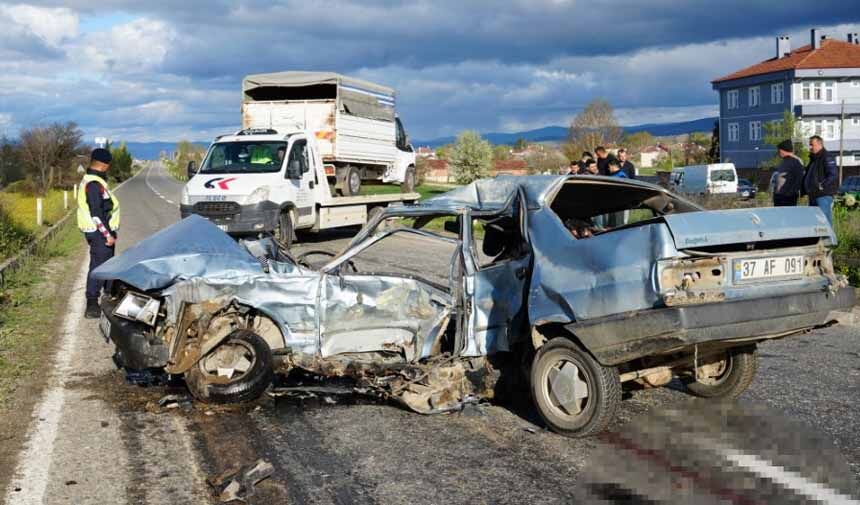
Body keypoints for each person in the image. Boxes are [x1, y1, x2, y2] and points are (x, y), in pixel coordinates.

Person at [77, 148, 120, 318]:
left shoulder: (92, 180)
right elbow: (96, 213)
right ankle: (92, 303)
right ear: (103, 165)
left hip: (100, 231)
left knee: (107, 264)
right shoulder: (94, 184)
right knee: (98, 265)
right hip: (98, 232)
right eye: (108, 165)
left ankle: (109, 294)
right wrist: (107, 235)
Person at [802, 135, 837, 224]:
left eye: (811, 145)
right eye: (809, 145)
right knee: (815, 223)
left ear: (819, 144)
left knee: (824, 222)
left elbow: (833, 174)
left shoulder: (826, 157)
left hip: (823, 195)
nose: (809, 147)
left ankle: (828, 238)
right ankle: (817, 238)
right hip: (813, 195)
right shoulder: (813, 159)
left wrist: (822, 185)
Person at [772, 139, 804, 207]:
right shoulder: (786, 161)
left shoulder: (795, 162)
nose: (778, 152)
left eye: (779, 150)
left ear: (782, 150)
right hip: (781, 196)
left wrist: (791, 193)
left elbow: (799, 179)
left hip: (787, 197)